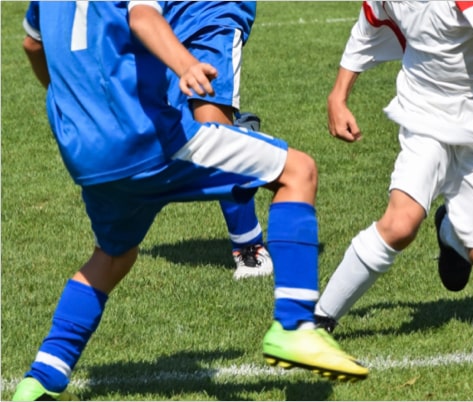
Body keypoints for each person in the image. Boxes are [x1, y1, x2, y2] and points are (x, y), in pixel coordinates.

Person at [13, 2, 368, 400]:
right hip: (149, 140)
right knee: (298, 172)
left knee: (112, 257)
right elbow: (143, 16)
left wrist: (74, 108)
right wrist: (185, 64)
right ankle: (294, 326)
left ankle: (41, 377)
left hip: (86, 153)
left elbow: (32, 44)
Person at [313, 1, 473, 333]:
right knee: (400, 224)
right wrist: (338, 96)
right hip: (423, 116)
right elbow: (367, 30)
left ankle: (450, 231)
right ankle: (317, 320)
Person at [164, 1, 272, 280]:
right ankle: (244, 137)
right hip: (161, 18)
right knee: (164, 137)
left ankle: (251, 250)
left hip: (213, 14)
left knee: (213, 135)